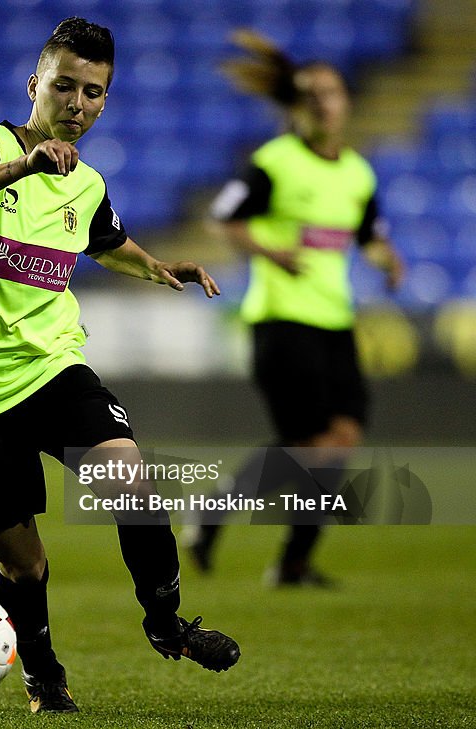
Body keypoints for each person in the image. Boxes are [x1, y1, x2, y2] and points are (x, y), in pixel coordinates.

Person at [0, 17, 240, 714]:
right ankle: (42, 674)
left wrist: (157, 268)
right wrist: (23, 166)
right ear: (36, 85)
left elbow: (107, 240)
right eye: (65, 86)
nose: (78, 104)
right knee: (23, 563)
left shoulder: (85, 184)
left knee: (131, 480)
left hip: (51, 366)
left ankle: (166, 623)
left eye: (94, 92)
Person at [186, 31, 405, 584]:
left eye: (332, 93)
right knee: (312, 446)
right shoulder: (274, 163)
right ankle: (261, 542)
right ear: (297, 105)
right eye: (312, 94)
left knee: (340, 442)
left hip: (335, 321)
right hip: (281, 319)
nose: (323, 103)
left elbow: (368, 234)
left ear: (346, 102)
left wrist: (386, 258)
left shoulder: (357, 172)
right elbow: (224, 219)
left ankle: (277, 553)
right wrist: (270, 251)